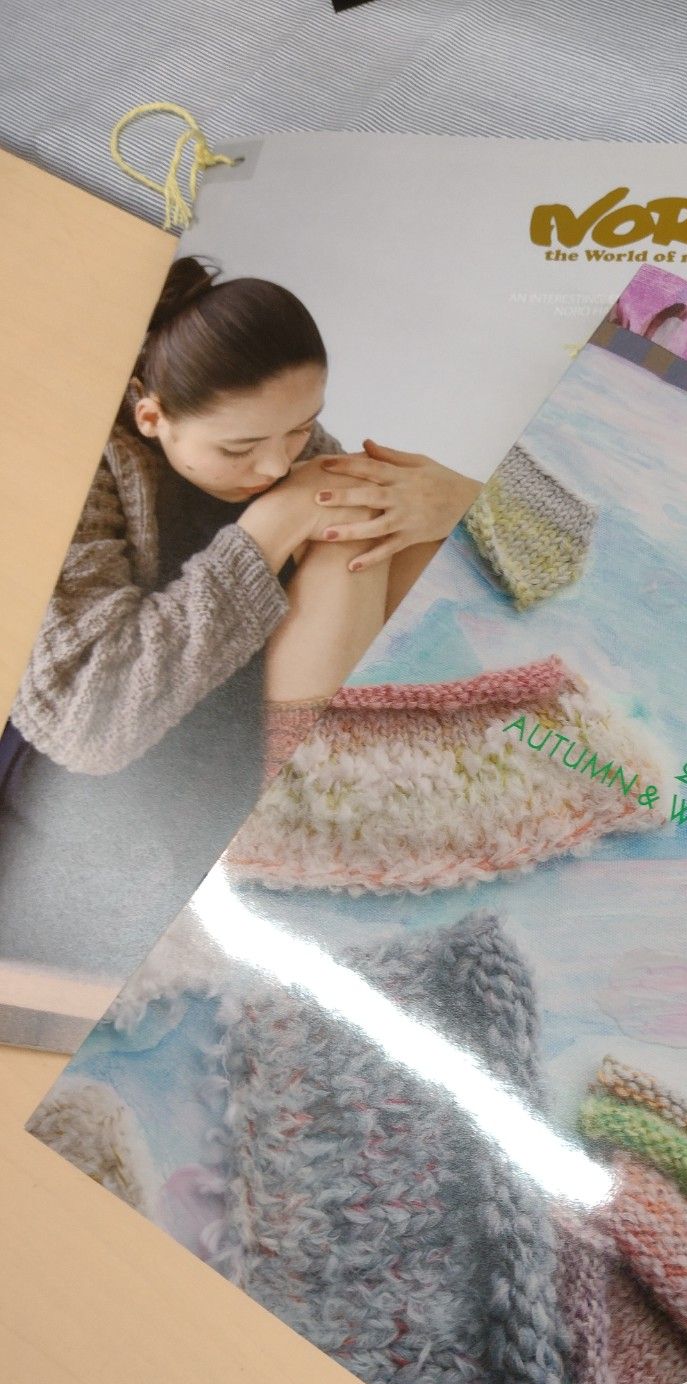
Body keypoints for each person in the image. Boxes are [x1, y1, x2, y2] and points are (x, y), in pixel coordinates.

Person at [0, 256, 481, 990]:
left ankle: (327, 789)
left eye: (301, 428)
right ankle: (307, 812)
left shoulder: (293, 452)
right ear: (152, 416)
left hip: (246, 738)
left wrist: (459, 495)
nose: (275, 465)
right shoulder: (83, 467)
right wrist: (269, 528)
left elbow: (560, 539)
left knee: (382, 516)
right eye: (238, 448)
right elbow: (85, 725)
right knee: (342, 512)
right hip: (102, 781)